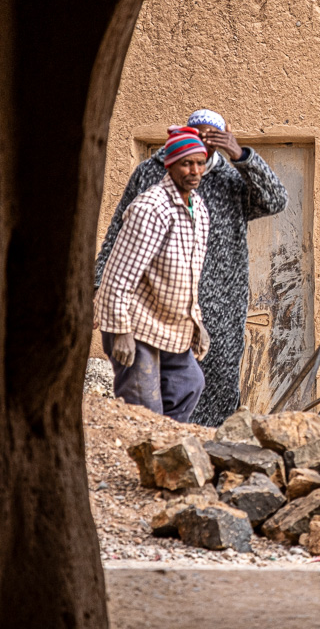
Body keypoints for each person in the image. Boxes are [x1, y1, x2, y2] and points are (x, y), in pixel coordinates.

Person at [95, 108, 288, 425]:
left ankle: (199, 457)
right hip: (151, 303)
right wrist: (101, 291)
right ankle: (156, 450)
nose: (199, 161)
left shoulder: (229, 180)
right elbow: (120, 240)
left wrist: (239, 154)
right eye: (197, 138)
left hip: (218, 307)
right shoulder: (152, 179)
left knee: (205, 387)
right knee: (147, 395)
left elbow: (275, 200)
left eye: (211, 141)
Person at [95, 126, 210, 422]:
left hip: (169, 327)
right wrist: (120, 331)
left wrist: (196, 324)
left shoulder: (197, 207)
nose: (195, 170)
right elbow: (118, 275)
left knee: (189, 385)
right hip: (136, 324)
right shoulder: (152, 208)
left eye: (200, 162)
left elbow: (188, 277)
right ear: (170, 165)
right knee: (144, 411)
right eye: (186, 163)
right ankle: (139, 457)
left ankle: (163, 454)